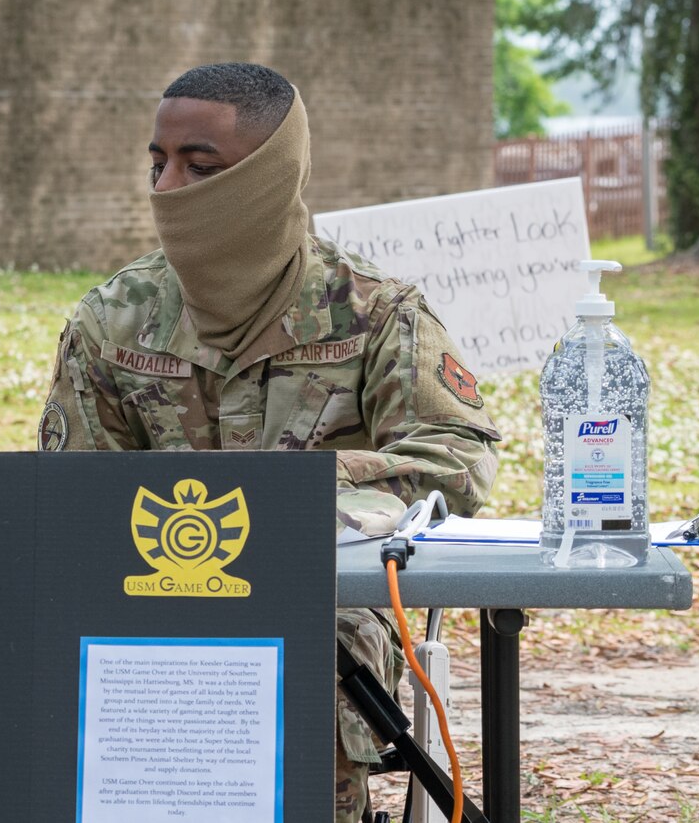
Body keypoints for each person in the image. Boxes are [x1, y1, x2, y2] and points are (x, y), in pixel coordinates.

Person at [36, 62, 500, 823]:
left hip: (322, 590)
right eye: (159, 161)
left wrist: (300, 499)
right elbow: (72, 494)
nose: (168, 186)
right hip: (149, 591)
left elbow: (455, 459)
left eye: (200, 164)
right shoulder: (114, 318)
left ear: (267, 173)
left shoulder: (374, 313)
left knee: (301, 664)